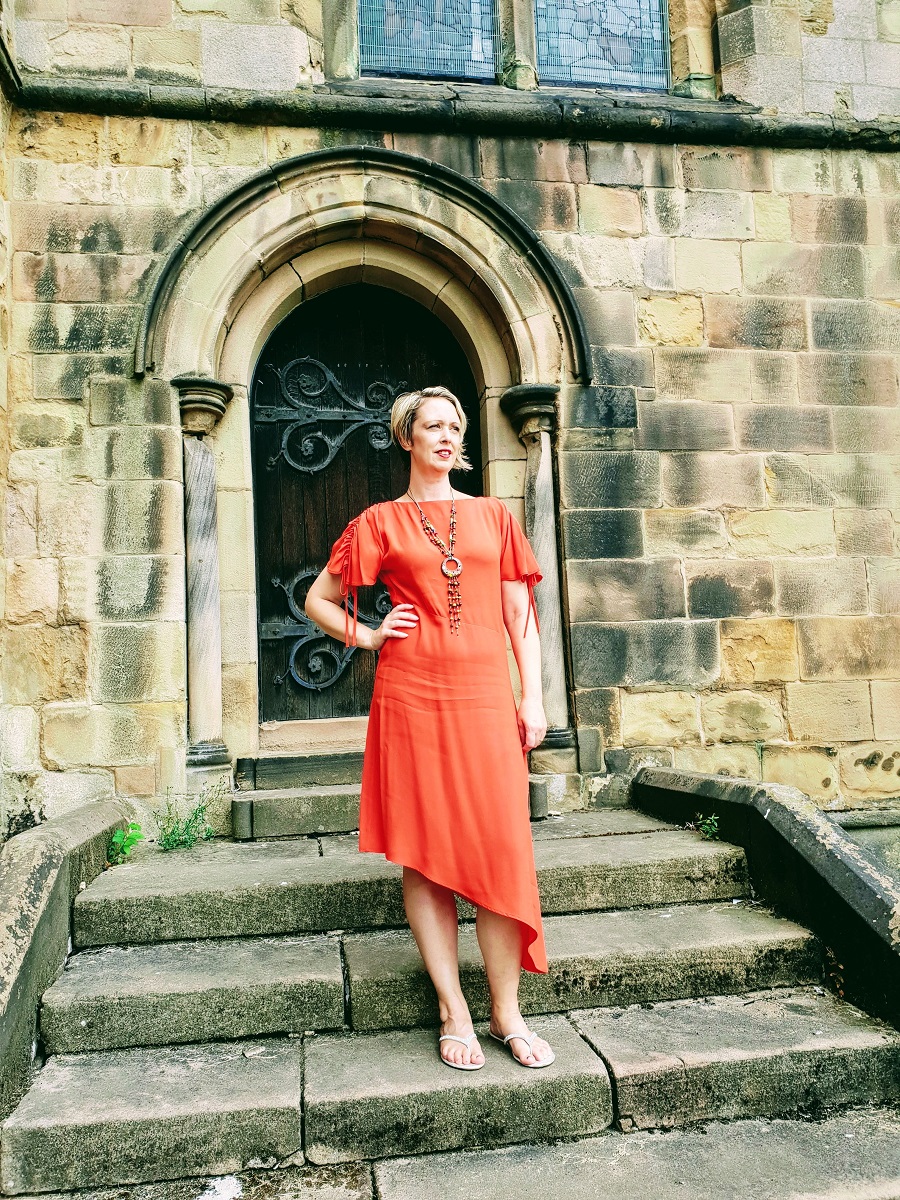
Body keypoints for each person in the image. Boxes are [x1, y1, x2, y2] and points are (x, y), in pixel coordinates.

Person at [305, 385, 554, 1070]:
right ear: (406, 437)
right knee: (426, 851)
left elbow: (520, 618)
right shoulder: (378, 522)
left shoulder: (495, 516)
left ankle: (507, 1012)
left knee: (502, 849)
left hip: (483, 697)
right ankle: (454, 1007)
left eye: (454, 426)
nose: (446, 436)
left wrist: (532, 701)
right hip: (411, 697)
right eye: (432, 426)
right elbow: (317, 599)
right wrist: (370, 634)